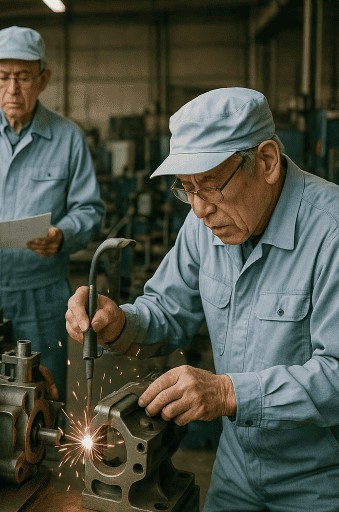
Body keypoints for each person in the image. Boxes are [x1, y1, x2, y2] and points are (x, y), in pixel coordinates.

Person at [66, 88, 339, 511]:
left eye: (210, 186)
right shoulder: (203, 228)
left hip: (320, 476)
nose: (197, 210)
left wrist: (228, 394)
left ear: (266, 161)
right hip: (236, 466)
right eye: (186, 189)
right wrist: (118, 321)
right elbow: (166, 312)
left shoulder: (331, 234)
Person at [0, 26, 105, 402]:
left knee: (43, 397)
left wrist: (62, 235)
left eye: (24, 77)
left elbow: (90, 209)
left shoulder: (68, 138)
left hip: (41, 297)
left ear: (44, 79)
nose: (13, 89)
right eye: (3, 77)